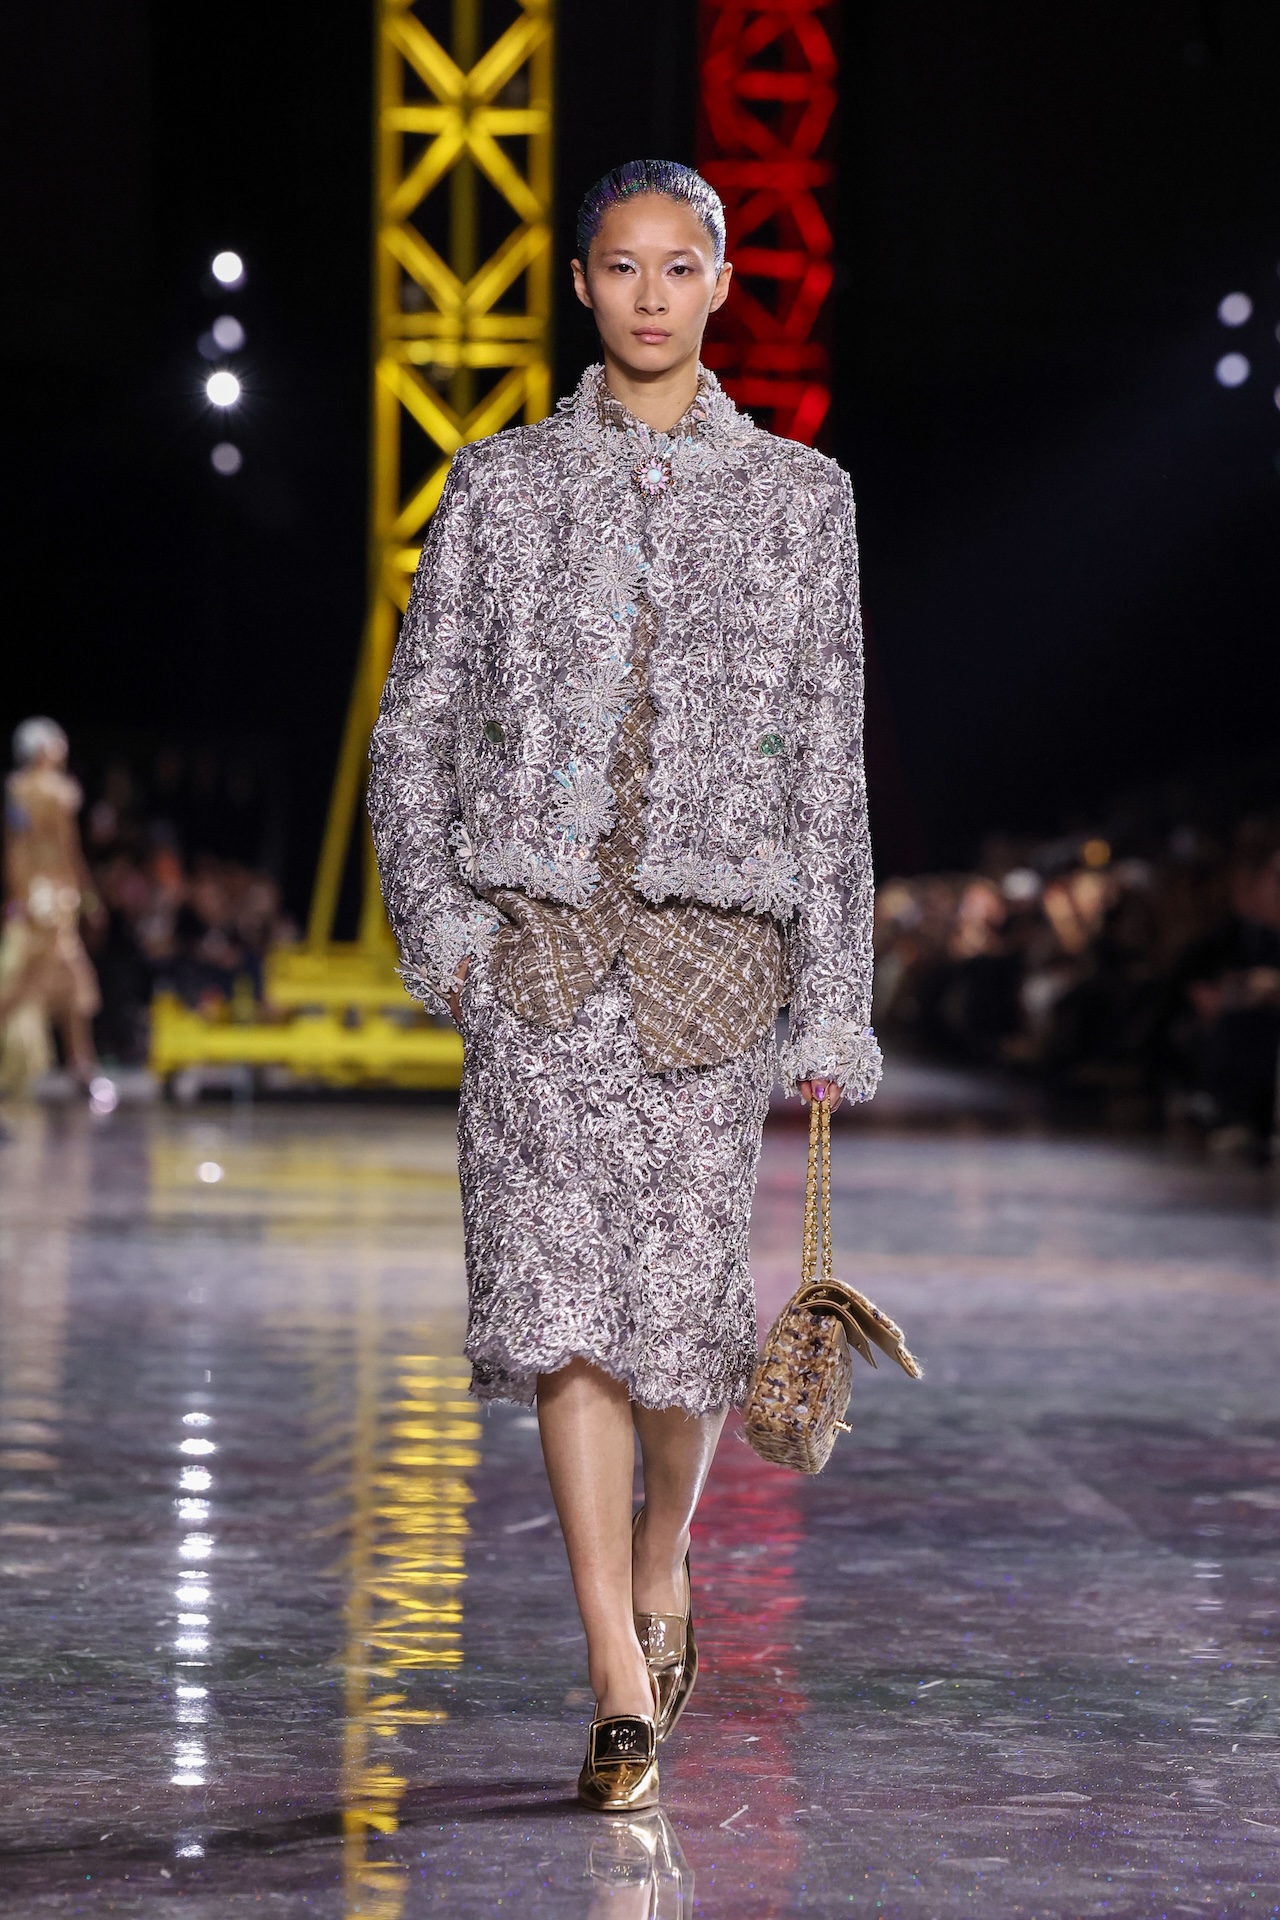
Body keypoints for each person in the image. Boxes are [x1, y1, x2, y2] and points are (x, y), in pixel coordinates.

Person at [368, 158, 880, 1810]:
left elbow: (835, 773)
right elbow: (412, 732)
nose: (650, 295)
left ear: (722, 282)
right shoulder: (501, 487)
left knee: (680, 1333)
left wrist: (831, 997)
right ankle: (611, 1660)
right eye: (620, 266)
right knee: (553, 1313)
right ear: (581, 287)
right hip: (534, 962)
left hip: (713, 971)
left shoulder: (806, 501)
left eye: (680, 266)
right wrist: (441, 932)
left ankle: (670, 1551)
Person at [0, 718, 102, 1095]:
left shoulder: (16, 790)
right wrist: (89, 898)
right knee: (32, 982)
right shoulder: (57, 792)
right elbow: (68, 850)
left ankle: (82, 1067)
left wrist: (17, 897)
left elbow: (15, 850)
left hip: (33, 898)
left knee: (66, 981)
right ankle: (82, 1067)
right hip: (51, 899)